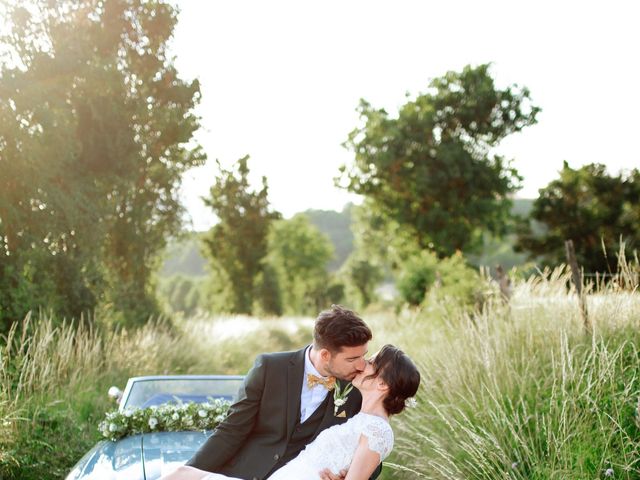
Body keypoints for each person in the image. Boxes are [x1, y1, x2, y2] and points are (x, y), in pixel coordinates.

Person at [164, 344, 420, 480]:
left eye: (372, 362)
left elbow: (368, 462)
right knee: (182, 474)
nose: (363, 365)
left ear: (383, 384)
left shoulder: (376, 428)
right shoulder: (362, 410)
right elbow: (231, 431)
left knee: (180, 476)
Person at [179, 305, 378, 480]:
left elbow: (373, 446)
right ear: (325, 355)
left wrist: (348, 475)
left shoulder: (358, 390)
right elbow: (231, 432)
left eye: (364, 356)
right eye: (352, 359)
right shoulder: (269, 368)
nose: (362, 366)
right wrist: (188, 474)